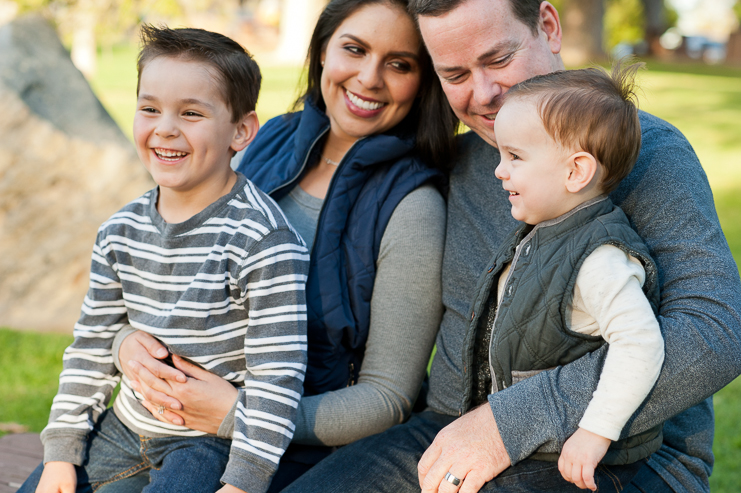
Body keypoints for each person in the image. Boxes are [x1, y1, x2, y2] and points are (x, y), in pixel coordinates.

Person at [273, 0, 741, 492]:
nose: (484, 94)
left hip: (612, 455)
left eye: (498, 59)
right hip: (444, 430)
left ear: (549, 26)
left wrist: (509, 423)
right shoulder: (456, 160)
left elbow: (715, 330)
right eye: (454, 74)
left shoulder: (639, 154)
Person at [112, 0, 458, 490]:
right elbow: (162, 270)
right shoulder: (269, 139)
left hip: (286, 451)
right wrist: (125, 344)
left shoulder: (413, 207)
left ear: (423, 82)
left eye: (399, 64)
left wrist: (238, 414)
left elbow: (387, 398)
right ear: (323, 51)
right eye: (354, 49)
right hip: (158, 423)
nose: (369, 77)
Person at [20, 26, 310, 493]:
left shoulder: (263, 240)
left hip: (207, 441)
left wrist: (244, 483)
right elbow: (93, 344)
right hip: (124, 424)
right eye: (150, 109)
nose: (166, 128)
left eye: (191, 112)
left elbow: (276, 378)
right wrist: (61, 453)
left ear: (241, 131)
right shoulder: (120, 230)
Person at [487, 63, 665, 491]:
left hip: (581, 456)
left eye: (514, 156)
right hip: (543, 444)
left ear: (575, 172)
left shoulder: (599, 258)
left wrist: (595, 432)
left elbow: (640, 343)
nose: (499, 170)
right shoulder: (548, 233)